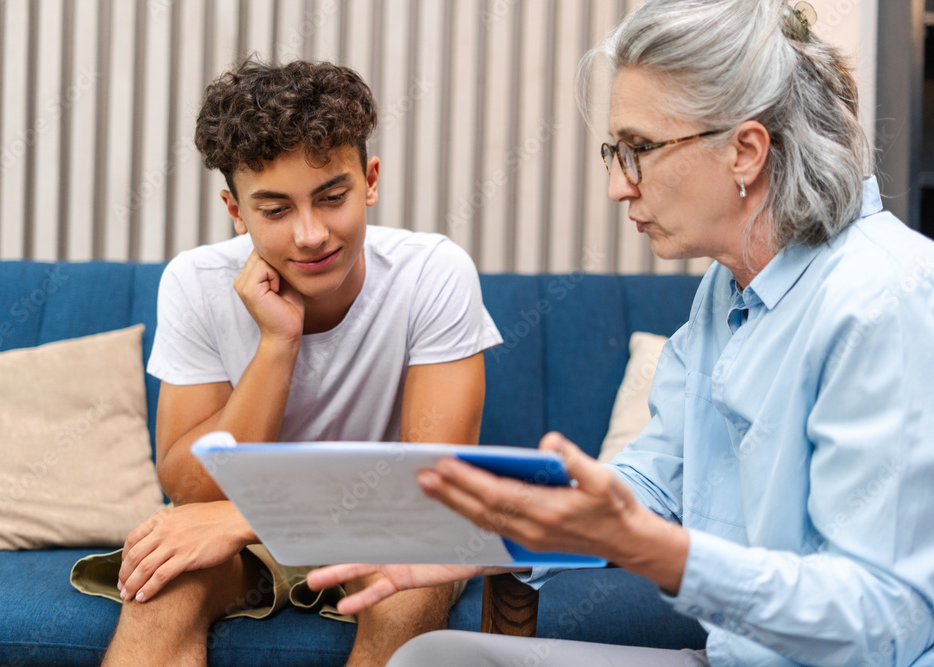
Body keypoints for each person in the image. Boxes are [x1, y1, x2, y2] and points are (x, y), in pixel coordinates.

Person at [306, 1, 934, 665]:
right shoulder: (727, 291)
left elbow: (879, 618)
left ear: (746, 150)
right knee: (435, 658)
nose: (615, 186)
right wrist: (476, 528)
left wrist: (662, 554)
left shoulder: (886, 298)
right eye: (615, 151)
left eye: (637, 150)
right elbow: (651, 486)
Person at [77, 58, 503, 666]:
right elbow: (190, 488)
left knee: (412, 581)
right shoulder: (195, 282)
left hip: (390, 526)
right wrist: (278, 344)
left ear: (370, 180)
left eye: (332, 197)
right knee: (162, 583)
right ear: (235, 209)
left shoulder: (434, 271)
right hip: (241, 531)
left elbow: (434, 486)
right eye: (274, 210)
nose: (310, 235)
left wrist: (245, 515)